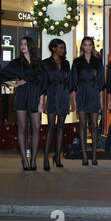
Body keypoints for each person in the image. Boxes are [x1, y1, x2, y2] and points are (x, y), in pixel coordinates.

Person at [0, 37, 45, 171]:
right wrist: (15, 84)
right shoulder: (17, 62)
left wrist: (41, 102)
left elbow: (43, 84)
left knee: (36, 127)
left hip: (35, 95)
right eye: (21, 44)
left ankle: (33, 160)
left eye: (25, 44)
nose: (23, 46)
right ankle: (24, 159)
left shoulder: (38, 62)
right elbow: (0, 76)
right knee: (22, 127)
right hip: (22, 95)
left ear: (31, 46)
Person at [71, 37, 105, 166]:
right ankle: (84, 155)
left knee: (94, 126)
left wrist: (101, 99)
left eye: (90, 45)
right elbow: (73, 83)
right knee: (82, 125)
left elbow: (101, 82)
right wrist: (73, 101)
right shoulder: (77, 62)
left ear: (93, 46)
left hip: (94, 93)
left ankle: (95, 155)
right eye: (85, 45)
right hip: (81, 94)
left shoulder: (97, 62)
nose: (88, 47)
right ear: (82, 47)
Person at [42, 39, 70, 170]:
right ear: (53, 48)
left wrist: (71, 99)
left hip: (64, 95)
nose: (62, 50)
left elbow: (69, 82)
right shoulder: (46, 63)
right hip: (52, 95)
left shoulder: (66, 63)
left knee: (61, 127)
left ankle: (57, 157)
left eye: (63, 48)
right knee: (50, 127)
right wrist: (43, 101)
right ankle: (46, 159)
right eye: (60, 48)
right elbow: (43, 83)